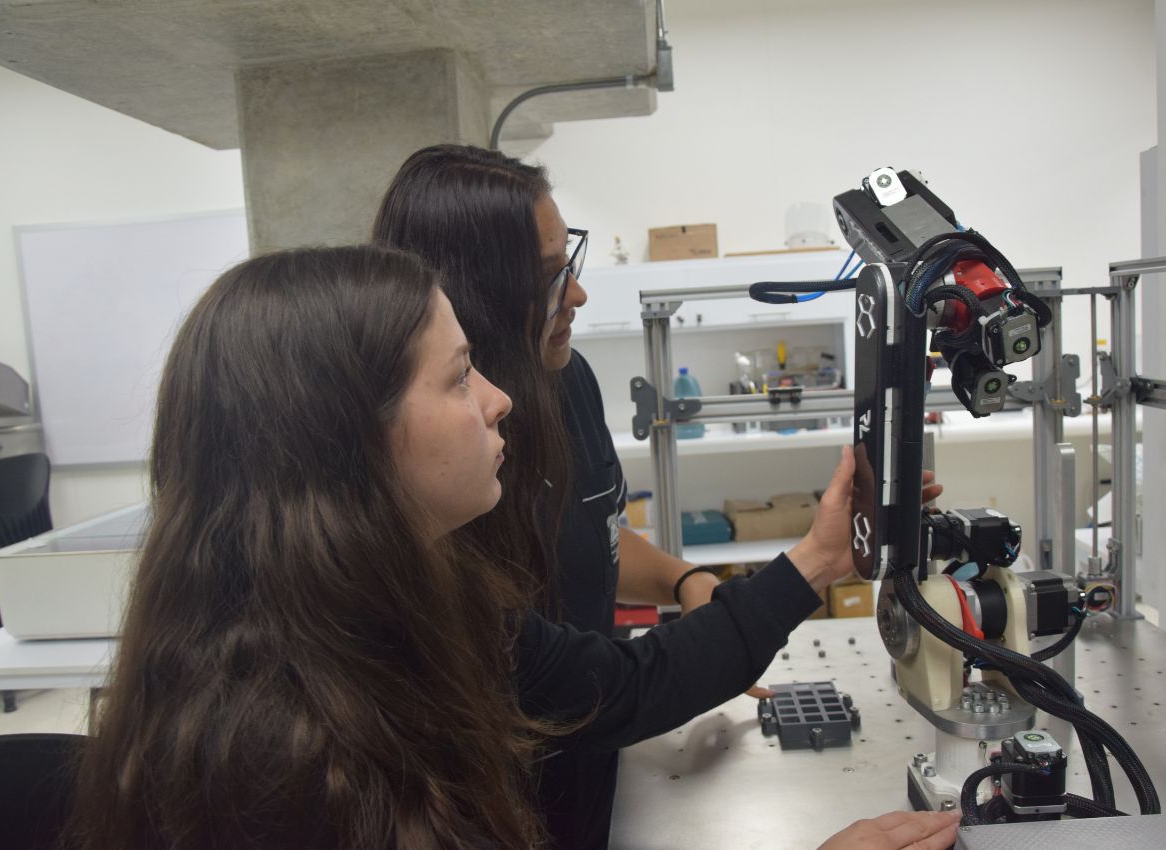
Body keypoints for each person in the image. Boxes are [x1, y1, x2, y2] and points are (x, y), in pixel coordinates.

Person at [68, 246, 958, 850]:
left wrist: (818, 558)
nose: (499, 400)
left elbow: (619, 687)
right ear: (348, 440)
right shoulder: (282, 766)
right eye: (460, 377)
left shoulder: (421, 608)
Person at [372, 145, 944, 850]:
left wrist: (685, 579)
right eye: (549, 278)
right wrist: (818, 560)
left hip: (594, 776)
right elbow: (614, 686)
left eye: (568, 268)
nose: (576, 296)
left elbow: (595, 532)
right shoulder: (432, 533)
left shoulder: (567, 382)